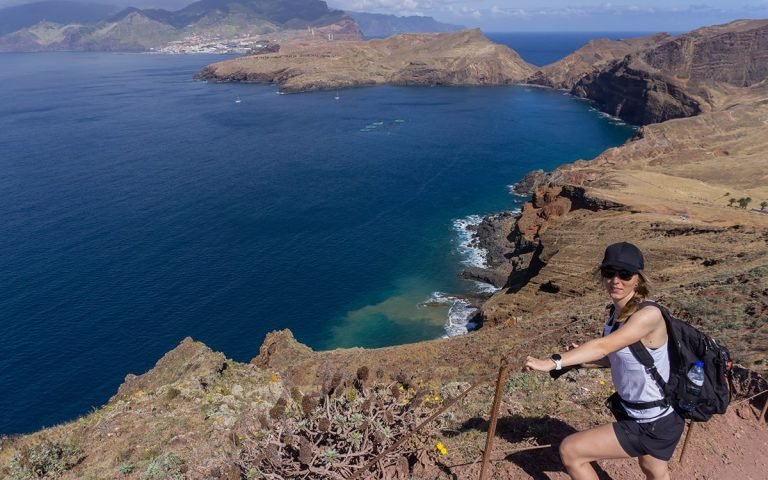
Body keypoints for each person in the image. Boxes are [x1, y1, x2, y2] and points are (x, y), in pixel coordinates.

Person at [523, 242, 684, 480]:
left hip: (652, 421)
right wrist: (578, 361)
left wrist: (553, 361)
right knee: (653, 468)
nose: (615, 280)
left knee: (571, 451)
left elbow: (603, 346)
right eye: (609, 273)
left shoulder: (648, 316)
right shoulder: (616, 314)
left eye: (625, 274)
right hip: (648, 414)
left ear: (638, 279)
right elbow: (614, 358)